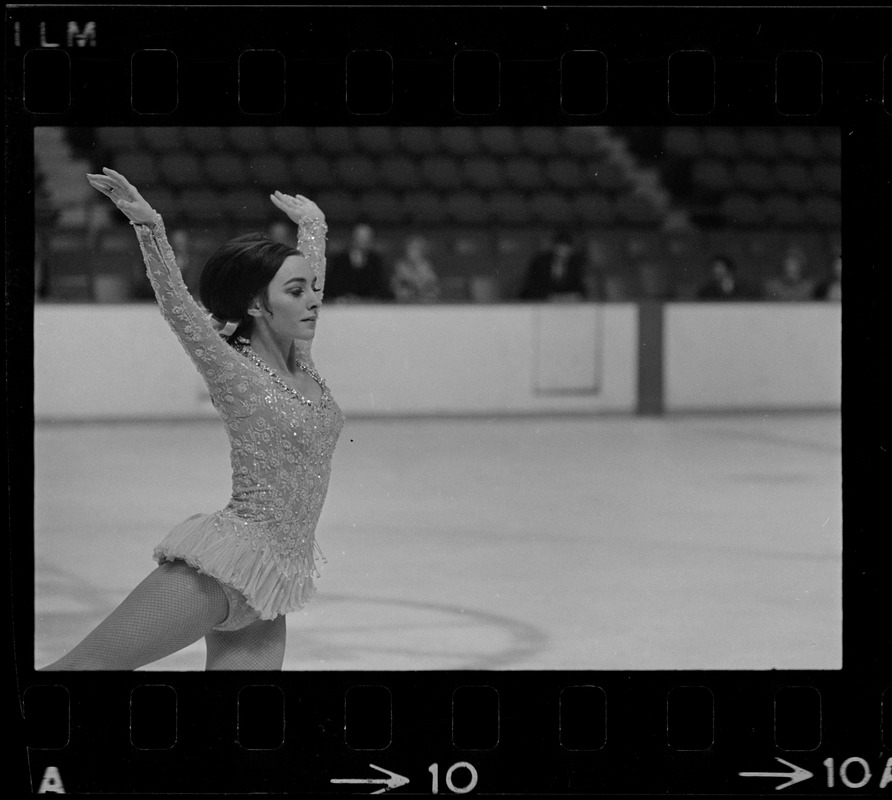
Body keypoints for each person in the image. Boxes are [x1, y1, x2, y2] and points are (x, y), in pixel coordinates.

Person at [39, 167, 344, 671]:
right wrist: (149, 227)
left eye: (314, 289)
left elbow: (309, 277)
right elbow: (178, 306)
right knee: (75, 673)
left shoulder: (302, 359)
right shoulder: (233, 368)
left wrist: (314, 225)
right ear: (256, 304)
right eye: (296, 292)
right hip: (221, 572)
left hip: (270, 583)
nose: (314, 299)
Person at [324, 221, 393, 302]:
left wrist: (369, 298)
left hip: (369, 305)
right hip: (343, 304)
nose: (363, 240)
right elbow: (332, 285)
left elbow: (381, 286)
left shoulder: (376, 261)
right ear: (353, 237)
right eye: (360, 237)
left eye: (367, 237)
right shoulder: (339, 260)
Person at [519, 231, 587, 301]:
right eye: (560, 247)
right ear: (554, 247)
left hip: (566, 302)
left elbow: (580, 287)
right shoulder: (540, 262)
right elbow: (532, 286)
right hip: (540, 302)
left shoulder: (576, 264)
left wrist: (569, 296)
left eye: (565, 248)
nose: (562, 251)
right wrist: (549, 296)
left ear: (571, 250)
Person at [392, 235, 440, 303]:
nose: (412, 252)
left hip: (425, 302)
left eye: (416, 249)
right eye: (410, 248)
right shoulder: (400, 266)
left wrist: (423, 290)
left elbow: (433, 288)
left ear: (422, 251)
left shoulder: (427, 267)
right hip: (406, 303)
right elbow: (397, 287)